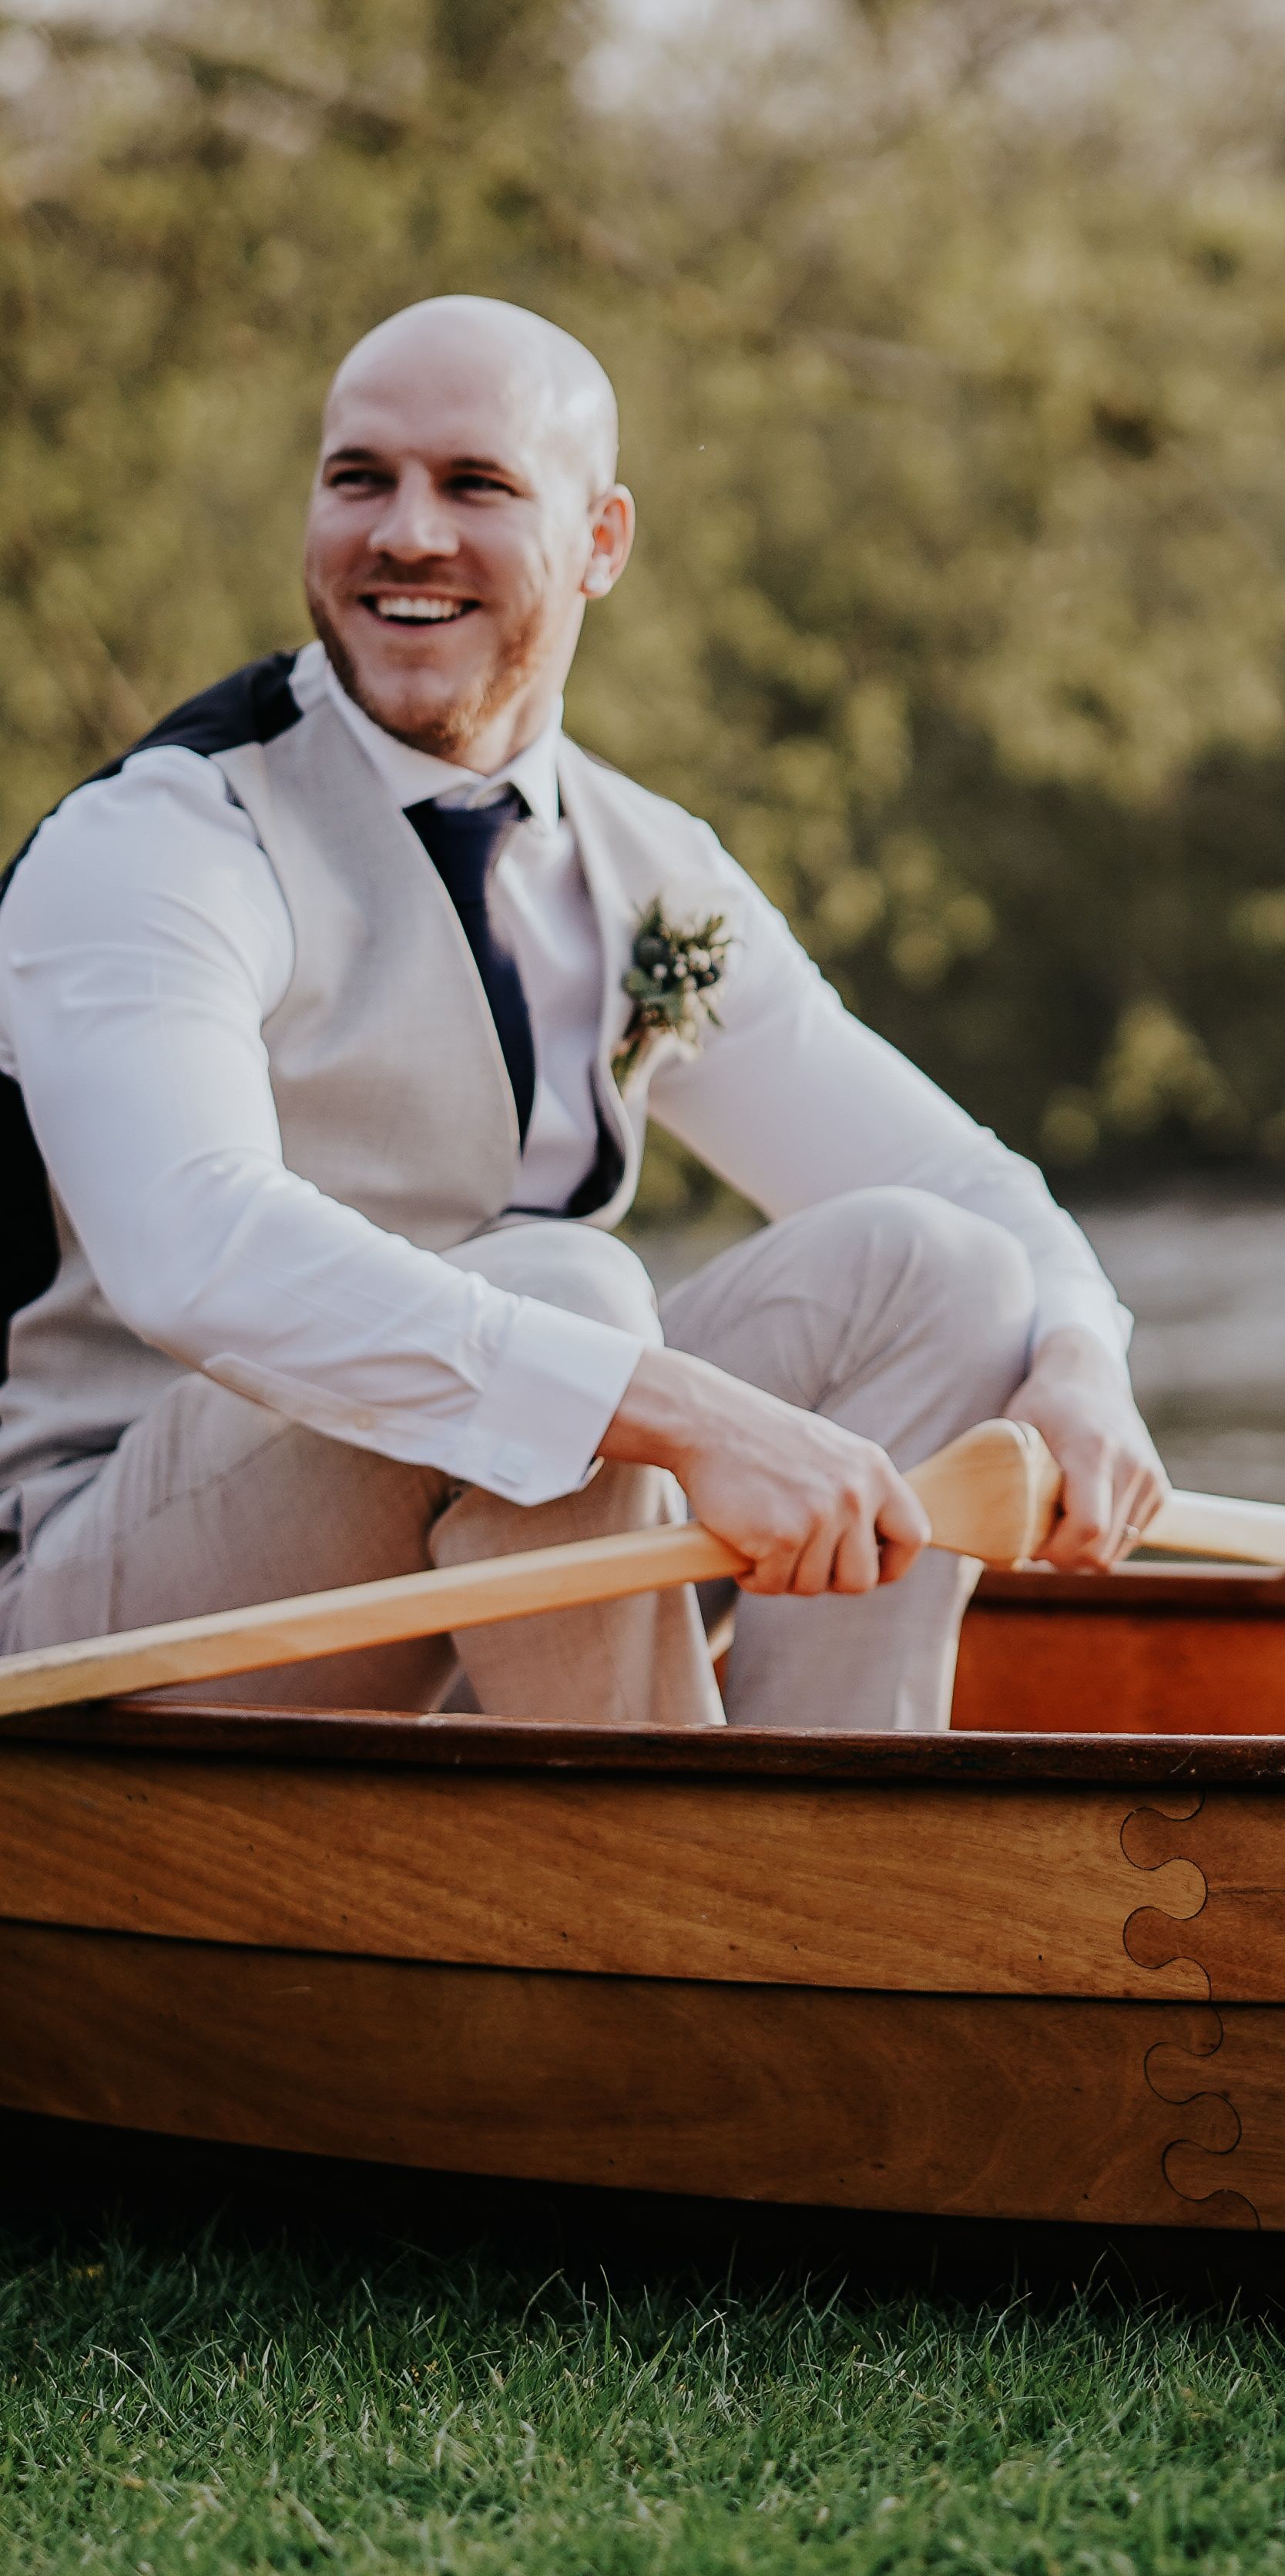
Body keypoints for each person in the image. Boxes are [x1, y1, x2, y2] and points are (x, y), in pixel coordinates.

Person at [0, 294, 1168, 1728]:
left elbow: (952, 1180)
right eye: (359, 477)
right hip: (98, 1597)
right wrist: (684, 1412)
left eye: (475, 483)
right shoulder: (163, 839)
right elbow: (196, 1252)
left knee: (950, 1274)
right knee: (567, 1296)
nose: (405, 533)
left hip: (456, 1562)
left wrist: (1084, 1361)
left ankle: (841, 1851)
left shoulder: (647, 865)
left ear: (602, 542)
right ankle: (680, 1895)